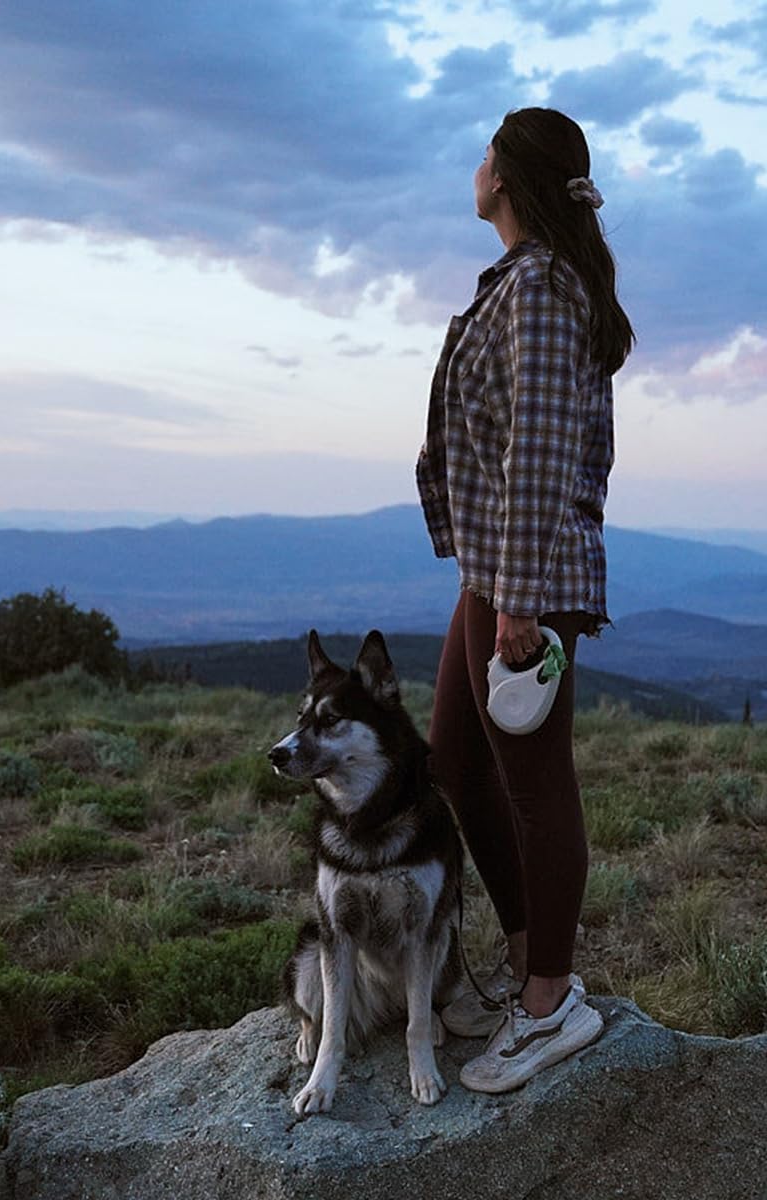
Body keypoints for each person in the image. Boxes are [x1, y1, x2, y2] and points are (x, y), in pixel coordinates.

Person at [416, 107, 634, 1093]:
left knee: (535, 785)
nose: (474, 169)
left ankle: (552, 1003)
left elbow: (536, 454)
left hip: (523, 580)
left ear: (504, 174)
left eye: (482, 155)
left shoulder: (542, 287)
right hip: (494, 571)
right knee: (458, 764)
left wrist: (520, 602)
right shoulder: (525, 279)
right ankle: (526, 958)